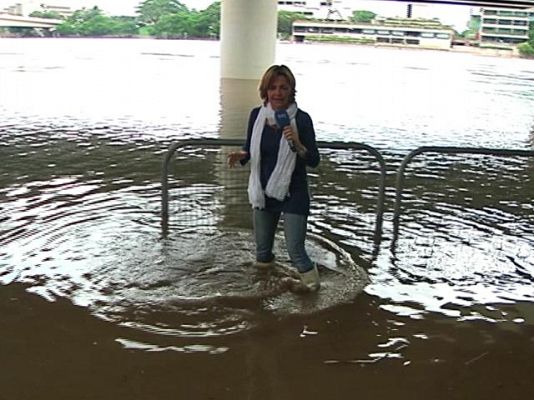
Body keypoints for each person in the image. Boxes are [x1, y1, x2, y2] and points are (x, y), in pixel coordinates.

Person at [227, 64, 321, 291]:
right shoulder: (256, 115)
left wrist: (298, 144)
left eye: (283, 88)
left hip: (293, 193)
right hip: (263, 191)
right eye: (273, 88)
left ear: (291, 91)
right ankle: (264, 292)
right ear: (265, 91)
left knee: (296, 251)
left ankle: (313, 291)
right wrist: (242, 155)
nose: (278, 93)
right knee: (262, 253)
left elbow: (314, 160)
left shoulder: (302, 119)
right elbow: (250, 149)